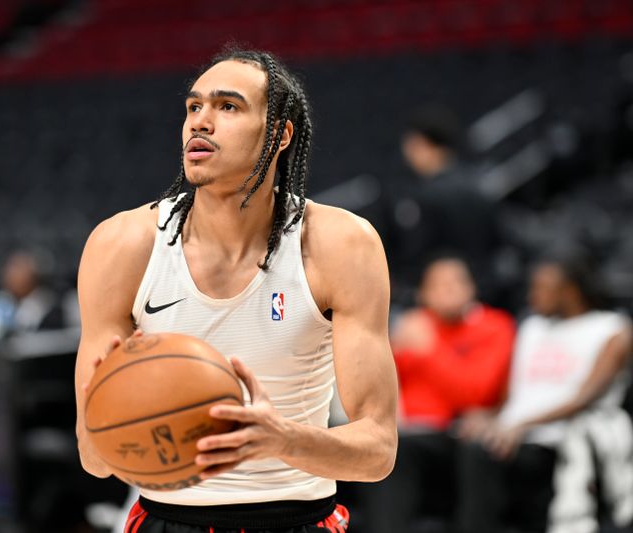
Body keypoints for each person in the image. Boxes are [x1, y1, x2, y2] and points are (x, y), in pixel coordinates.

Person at [74, 48, 398, 532]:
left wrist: (280, 439)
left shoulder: (341, 245)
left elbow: (378, 451)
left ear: (280, 134)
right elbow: (94, 459)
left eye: (228, 106)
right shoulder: (121, 245)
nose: (200, 122)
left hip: (297, 518)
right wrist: (117, 412)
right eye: (193, 107)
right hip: (165, 518)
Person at [456, 250, 633, 533]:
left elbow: (584, 398)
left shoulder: (613, 330)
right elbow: (511, 396)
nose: (532, 296)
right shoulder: (532, 327)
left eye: (541, 289)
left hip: (560, 437)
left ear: (570, 291)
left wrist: (520, 426)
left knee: (479, 453)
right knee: (430, 444)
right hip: (514, 433)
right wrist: (489, 417)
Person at [362, 255, 515, 533]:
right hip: (409, 431)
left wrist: (430, 350)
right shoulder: (412, 326)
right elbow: (383, 386)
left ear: (472, 288)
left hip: (460, 432)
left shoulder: (495, 326)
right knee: (382, 446)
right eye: (439, 284)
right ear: (423, 294)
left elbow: (476, 393)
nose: (449, 289)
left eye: (457, 282)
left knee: (409, 448)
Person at [391, 105, 500, 305]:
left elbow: (415, 253)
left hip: (439, 301)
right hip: (483, 294)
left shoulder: (422, 196)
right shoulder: (481, 186)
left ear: (421, 144)